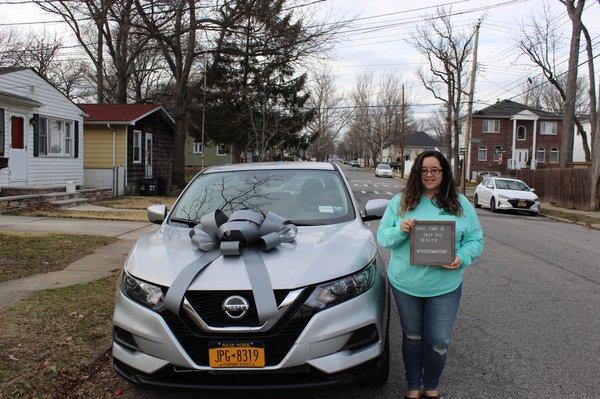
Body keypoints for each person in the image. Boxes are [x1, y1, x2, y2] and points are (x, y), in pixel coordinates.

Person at [377, 150, 484, 399]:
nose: (429, 174)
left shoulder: (460, 203)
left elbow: (476, 240)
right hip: (406, 284)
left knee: (438, 340)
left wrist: (461, 258)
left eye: (435, 170)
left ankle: (431, 386)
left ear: (444, 173)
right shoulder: (400, 202)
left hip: (444, 286)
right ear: (416, 173)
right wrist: (400, 230)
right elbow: (383, 237)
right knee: (412, 336)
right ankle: (413, 386)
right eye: (424, 170)